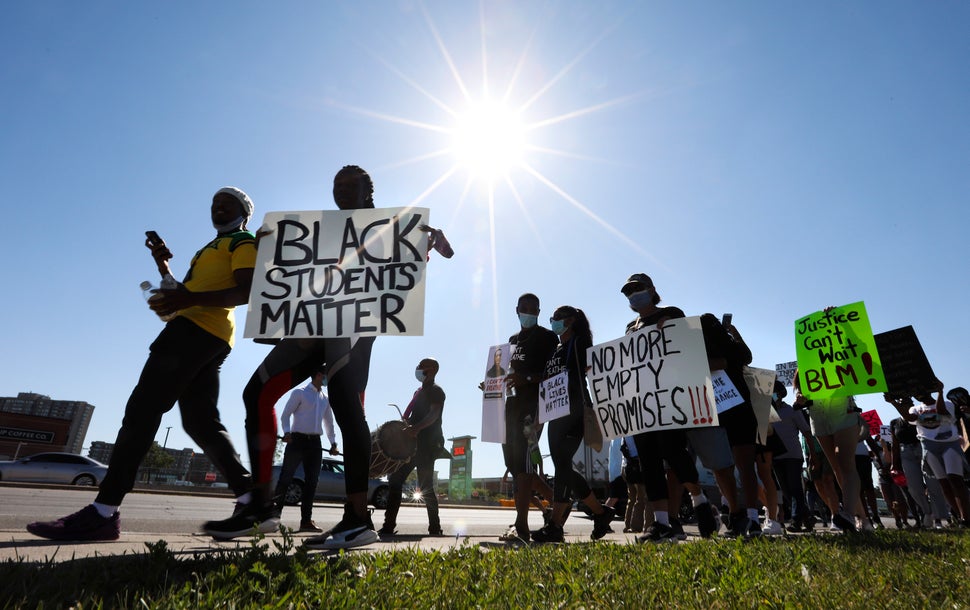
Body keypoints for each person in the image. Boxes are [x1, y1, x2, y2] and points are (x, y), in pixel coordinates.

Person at [28, 187, 259, 541]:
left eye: (227, 203)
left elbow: (246, 291)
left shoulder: (241, 242)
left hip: (195, 334)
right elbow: (187, 293)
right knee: (201, 422)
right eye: (214, 203)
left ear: (244, 211)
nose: (219, 207)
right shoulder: (210, 248)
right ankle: (250, 498)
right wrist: (163, 267)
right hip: (203, 334)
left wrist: (188, 298)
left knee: (141, 411)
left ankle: (104, 512)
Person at [203, 166, 385, 547]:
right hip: (311, 325)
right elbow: (298, 276)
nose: (341, 190)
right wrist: (271, 249)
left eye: (351, 185)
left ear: (370, 191)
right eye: (335, 184)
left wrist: (424, 241)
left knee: (348, 408)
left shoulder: (388, 228)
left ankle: (357, 519)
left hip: (351, 326)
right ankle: (262, 507)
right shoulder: (318, 231)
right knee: (257, 393)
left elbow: (399, 275)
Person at [618, 274, 724, 542]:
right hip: (643, 402)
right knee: (648, 461)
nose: (634, 295)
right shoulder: (631, 327)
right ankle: (661, 524)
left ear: (652, 290)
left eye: (638, 289)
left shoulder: (672, 313)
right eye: (629, 292)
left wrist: (674, 330)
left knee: (673, 452)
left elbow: (688, 346)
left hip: (670, 397)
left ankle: (699, 500)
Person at [530, 306, 614, 543]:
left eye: (558, 318)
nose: (554, 323)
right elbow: (547, 383)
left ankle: (555, 525)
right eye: (552, 319)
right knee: (563, 465)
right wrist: (539, 415)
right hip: (554, 412)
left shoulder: (579, 343)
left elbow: (592, 369)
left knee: (562, 466)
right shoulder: (556, 350)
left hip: (574, 410)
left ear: (570, 320)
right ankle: (600, 512)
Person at [498, 293, 559, 542]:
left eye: (534, 309)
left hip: (533, 407)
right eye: (524, 308)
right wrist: (493, 384)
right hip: (511, 407)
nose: (529, 312)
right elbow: (508, 373)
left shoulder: (547, 337)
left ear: (539, 311)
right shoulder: (512, 340)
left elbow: (553, 372)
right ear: (516, 310)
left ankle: (520, 526)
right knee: (515, 466)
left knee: (524, 465)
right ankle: (559, 501)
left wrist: (529, 379)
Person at [793, 366, 865, 532]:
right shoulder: (806, 362)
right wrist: (800, 398)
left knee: (845, 463)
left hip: (843, 412)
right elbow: (800, 390)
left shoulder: (840, 360)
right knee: (838, 470)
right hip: (819, 417)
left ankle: (848, 514)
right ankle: (860, 517)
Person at [379, 358, 447, 537]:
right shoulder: (419, 392)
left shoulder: (435, 391)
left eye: (421, 366)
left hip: (426, 446)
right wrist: (407, 424)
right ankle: (388, 526)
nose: (418, 369)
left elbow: (434, 414)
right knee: (395, 481)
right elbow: (417, 416)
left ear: (431, 370)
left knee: (426, 486)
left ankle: (434, 528)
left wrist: (416, 428)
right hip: (411, 446)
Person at [891, 382, 970, 527]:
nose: (919, 394)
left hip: (949, 444)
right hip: (930, 447)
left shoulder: (948, 404)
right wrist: (893, 403)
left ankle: (966, 516)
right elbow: (910, 418)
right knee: (944, 483)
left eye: (922, 391)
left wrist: (940, 392)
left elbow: (941, 412)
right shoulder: (916, 408)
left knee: (956, 479)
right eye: (916, 393)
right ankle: (960, 517)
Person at [272, 367, 338, 533]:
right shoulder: (299, 393)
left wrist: (333, 443)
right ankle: (272, 519)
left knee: (312, 483)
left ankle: (306, 521)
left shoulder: (325, 398)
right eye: (325, 376)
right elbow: (285, 415)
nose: (327, 380)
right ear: (318, 375)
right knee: (285, 479)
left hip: (315, 443)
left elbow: (329, 423)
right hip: (296, 440)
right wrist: (286, 432)